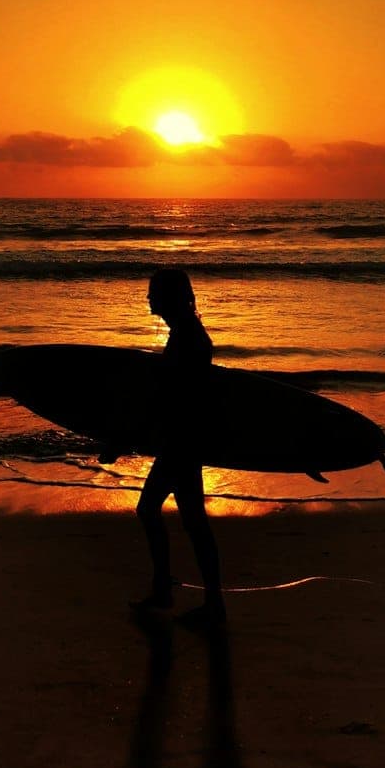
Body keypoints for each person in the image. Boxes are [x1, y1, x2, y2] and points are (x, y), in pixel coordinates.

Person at [134, 267, 225, 627]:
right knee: (190, 521)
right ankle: (197, 599)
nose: (148, 298)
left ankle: (172, 591)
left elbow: (175, 399)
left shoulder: (189, 338)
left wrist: (130, 437)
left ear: (170, 296)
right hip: (184, 441)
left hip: (182, 443)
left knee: (157, 511)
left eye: (153, 292)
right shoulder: (186, 334)